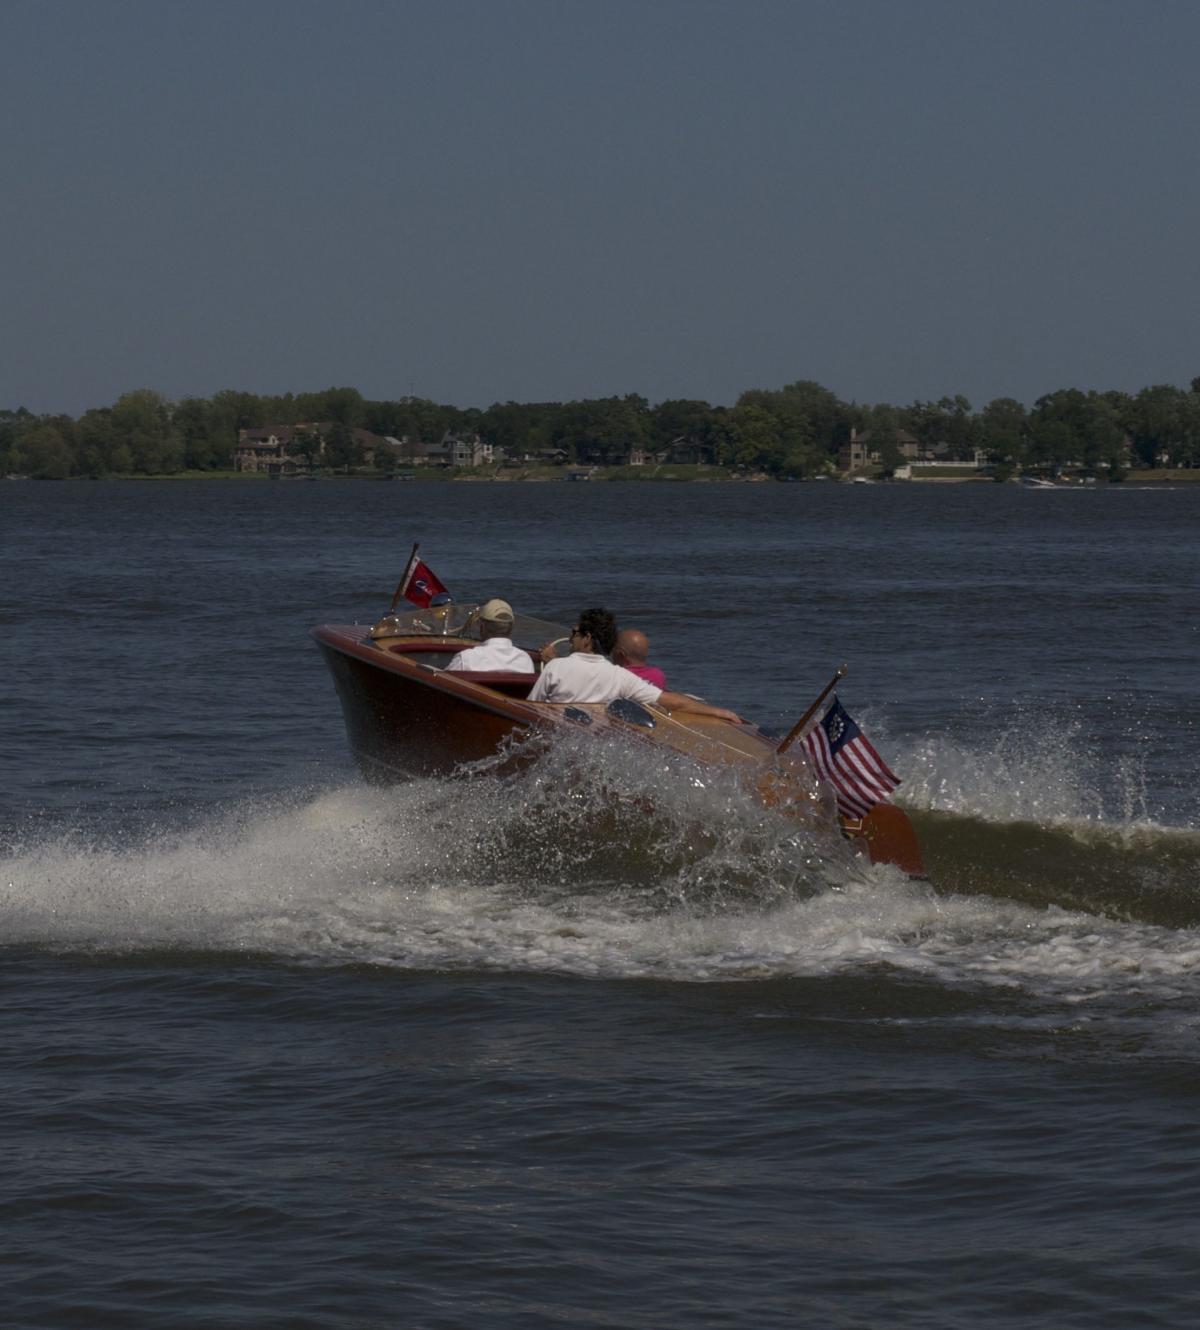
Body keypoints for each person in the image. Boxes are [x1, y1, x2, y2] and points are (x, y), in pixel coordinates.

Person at [531, 607, 742, 723]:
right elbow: (671, 701)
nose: (570, 639)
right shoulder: (620, 676)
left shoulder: (555, 668)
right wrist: (718, 712)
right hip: (595, 743)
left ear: (587, 638)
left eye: (574, 634)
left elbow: (531, 707)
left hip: (559, 738)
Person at [445, 599, 535, 674]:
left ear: (482, 627)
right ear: (511, 629)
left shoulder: (466, 659)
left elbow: (443, 684)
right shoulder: (525, 660)